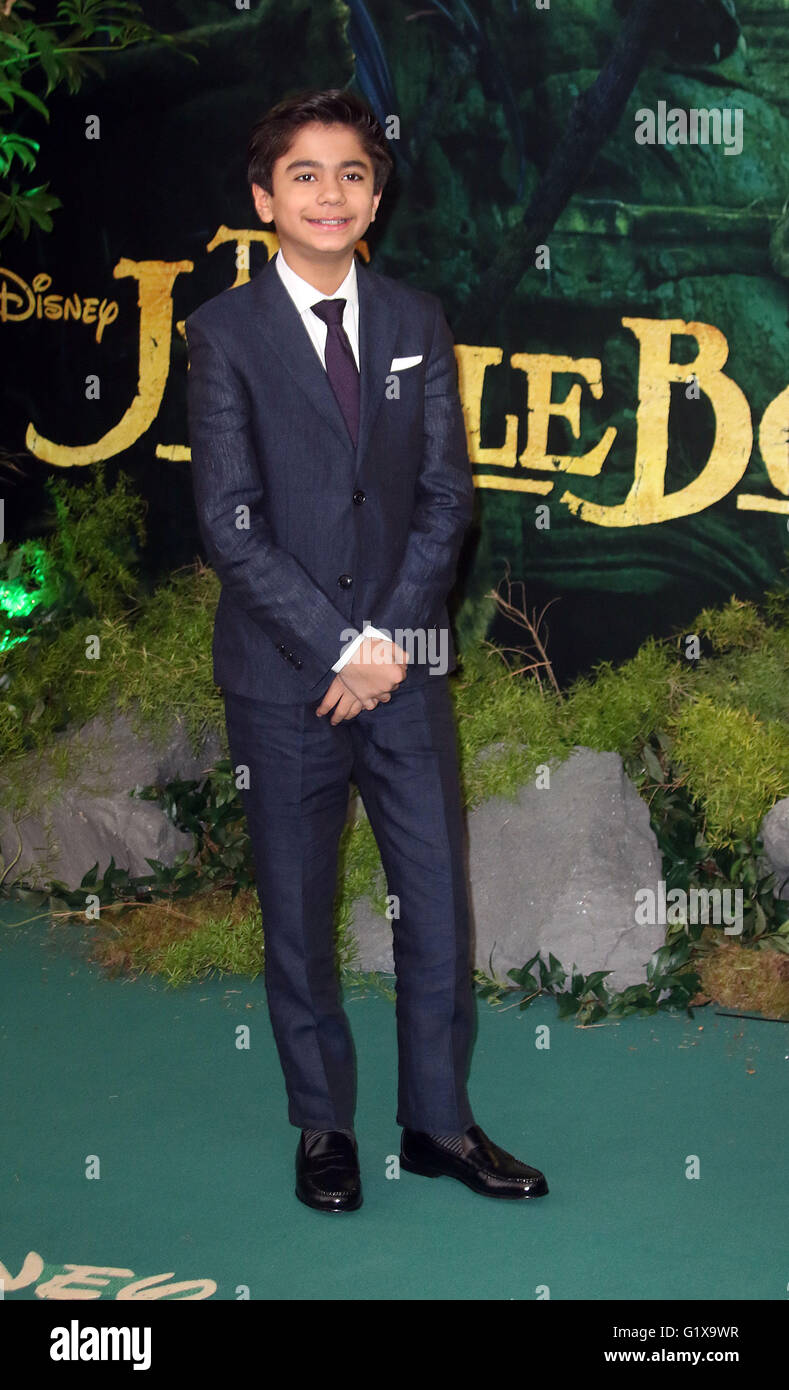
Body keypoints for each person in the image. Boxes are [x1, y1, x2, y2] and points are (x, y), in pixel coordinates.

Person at [185, 87, 548, 1212]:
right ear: (264, 200)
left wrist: (383, 643)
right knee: (297, 912)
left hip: (404, 668)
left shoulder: (414, 322)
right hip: (284, 676)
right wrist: (338, 645)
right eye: (304, 175)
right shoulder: (223, 336)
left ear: (375, 196)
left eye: (351, 173)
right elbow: (231, 522)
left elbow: (447, 498)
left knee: (436, 899)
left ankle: (440, 1122)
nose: (329, 193)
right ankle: (322, 1128)